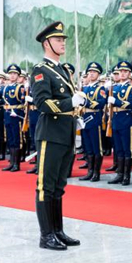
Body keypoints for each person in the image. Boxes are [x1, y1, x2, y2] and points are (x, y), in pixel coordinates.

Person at [31, 21, 86, 251]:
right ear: (47, 44)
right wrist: (69, 103)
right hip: (50, 134)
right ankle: (46, 236)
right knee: (46, 185)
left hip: (66, 133)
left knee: (59, 186)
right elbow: (42, 103)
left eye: (63, 39)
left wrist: (78, 108)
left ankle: (57, 231)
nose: (63, 43)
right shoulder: (41, 71)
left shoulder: (63, 70)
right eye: (58, 39)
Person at [107, 61, 132, 186]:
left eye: (125, 71)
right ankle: (119, 174)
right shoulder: (114, 88)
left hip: (126, 120)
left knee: (127, 149)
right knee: (118, 149)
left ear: (129, 73)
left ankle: (126, 176)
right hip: (116, 119)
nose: (122, 73)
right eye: (121, 71)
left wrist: (116, 101)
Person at [1, 64, 26, 172]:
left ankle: (16, 164)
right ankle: (11, 162)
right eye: (10, 73)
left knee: (17, 139)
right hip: (8, 115)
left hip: (16, 115)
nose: (12, 76)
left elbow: (23, 101)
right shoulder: (6, 87)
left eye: (14, 74)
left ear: (18, 76)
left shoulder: (20, 87)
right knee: (10, 139)